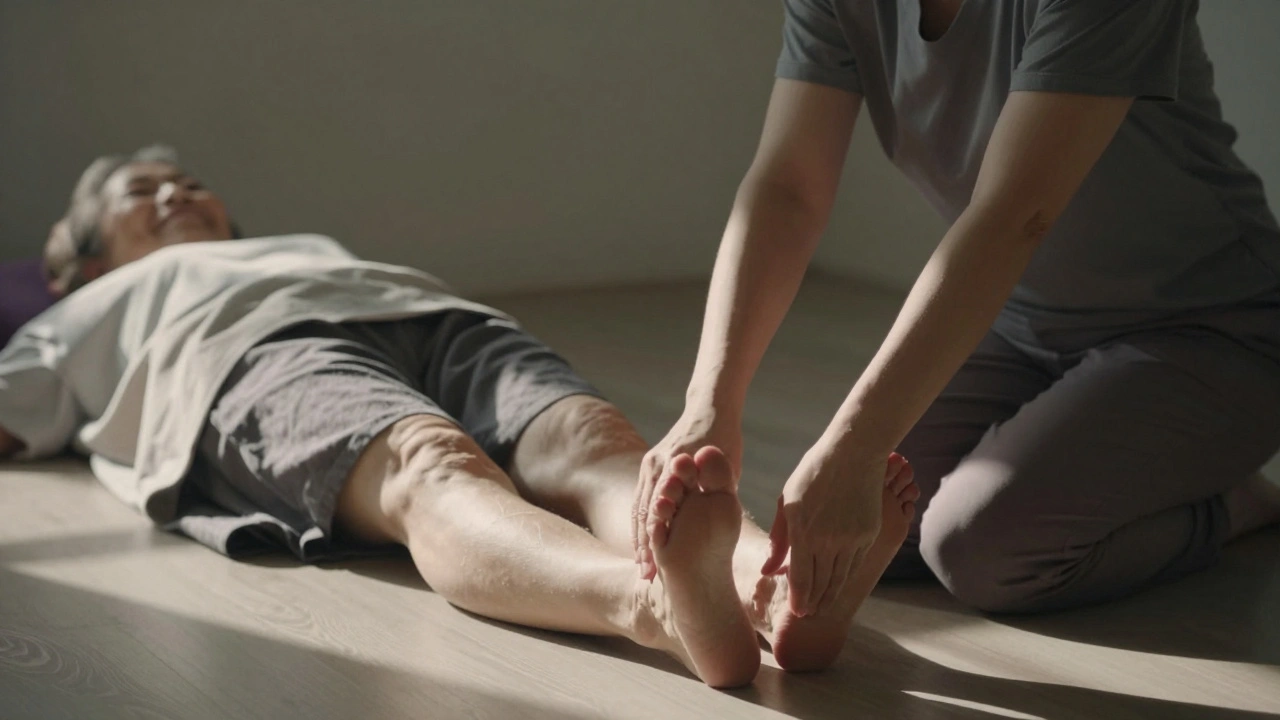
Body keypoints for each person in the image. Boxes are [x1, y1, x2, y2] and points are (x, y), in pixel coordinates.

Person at [0, 146, 919, 687]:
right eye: (139, 194)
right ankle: (653, 605)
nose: (176, 194)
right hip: (248, 355)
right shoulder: (80, 311)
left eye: (189, 182)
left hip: (435, 317)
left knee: (599, 444)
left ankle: (778, 591)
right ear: (78, 264)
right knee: (431, 465)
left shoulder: (297, 245)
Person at [634, 0, 1280, 617]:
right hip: (1022, 320)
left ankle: (1234, 504)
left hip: (1214, 328)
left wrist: (854, 443)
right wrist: (708, 405)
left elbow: (1013, 214)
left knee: (980, 549)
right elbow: (787, 189)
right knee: (874, 527)